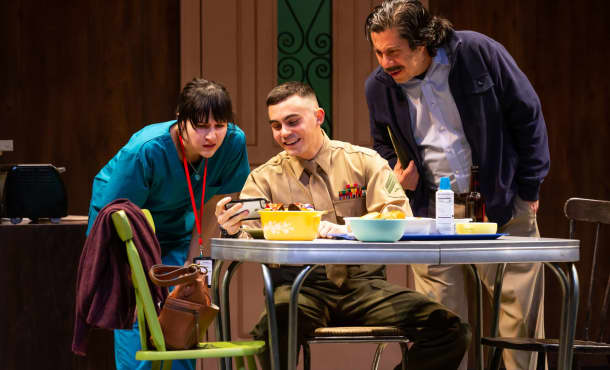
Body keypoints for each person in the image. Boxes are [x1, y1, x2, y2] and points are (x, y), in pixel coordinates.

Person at [215, 81, 471, 370]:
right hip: (300, 288)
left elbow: (397, 214)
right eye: (276, 126)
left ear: (319, 116)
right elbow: (247, 234)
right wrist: (233, 228)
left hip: (364, 286)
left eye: (292, 122)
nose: (284, 133)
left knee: (450, 330)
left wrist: (351, 229)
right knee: (272, 329)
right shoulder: (265, 178)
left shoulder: (364, 162)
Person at [364, 1, 550, 369]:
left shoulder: (478, 52)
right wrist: (402, 173)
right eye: (378, 52)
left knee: (520, 326)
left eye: (393, 52)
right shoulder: (379, 87)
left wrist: (530, 187)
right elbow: (382, 144)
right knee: (440, 325)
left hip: (501, 202)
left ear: (423, 43)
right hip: (433, 216)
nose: (385, 63)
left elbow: (527, 116)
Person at [86, 78, 250, 370]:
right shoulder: (147, 149)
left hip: (177, 224)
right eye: (201, 126)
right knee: (139, 310)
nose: (211, 136)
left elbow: (215, 202)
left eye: (219, 125)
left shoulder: (234, 142)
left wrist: (198, 261)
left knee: (183, 309)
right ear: (181, 120)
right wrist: (127, 278)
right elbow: (116, 219)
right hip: (124, 226)